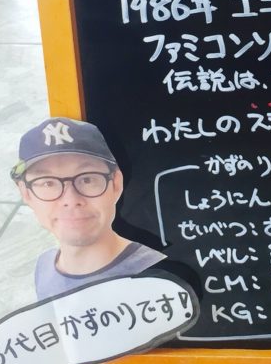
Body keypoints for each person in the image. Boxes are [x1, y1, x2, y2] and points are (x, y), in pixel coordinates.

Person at [11, 117, 165, 300]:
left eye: (87, 179)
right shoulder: (44, 267)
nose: (70, 200)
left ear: (116, 183)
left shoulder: (159, 278)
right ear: (26, 193)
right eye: (47, 183)